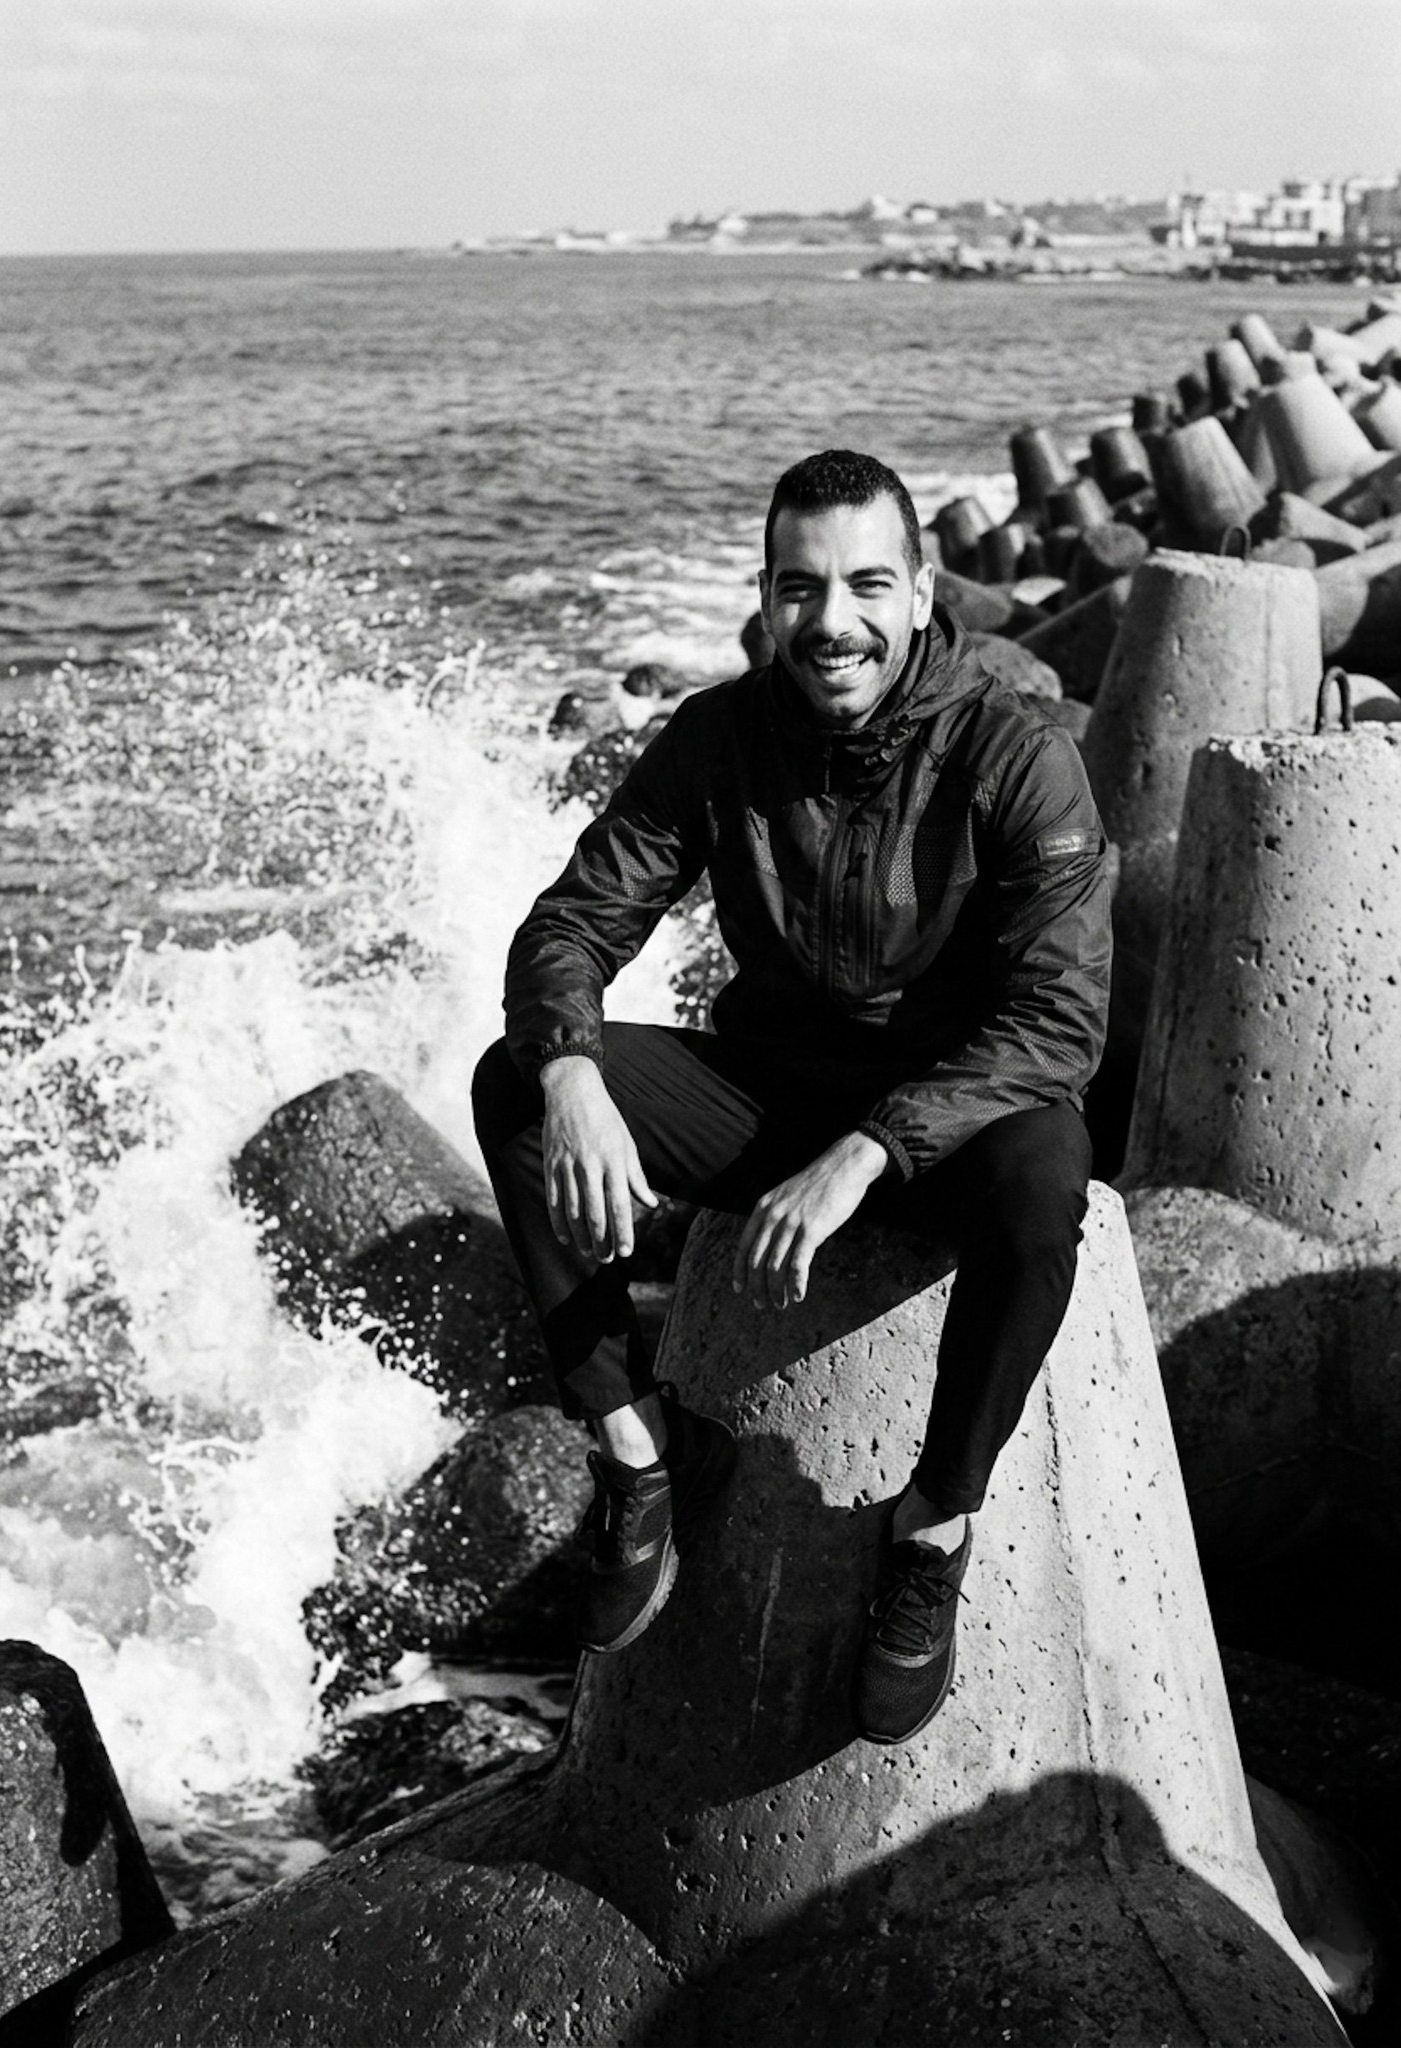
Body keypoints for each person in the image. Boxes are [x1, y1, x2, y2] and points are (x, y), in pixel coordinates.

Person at [472, 449, 1111, 1745]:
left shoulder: (1013, 752)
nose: (833, 622)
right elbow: (570, 927)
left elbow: (1057, 1022)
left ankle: (933, 1524)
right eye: (800, 587)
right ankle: (637, 1451)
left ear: (924, 594)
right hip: (767, 1097)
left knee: (1050, 1179)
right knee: (514, 1086)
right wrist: (572, 1064)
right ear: (765, 597)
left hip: (950, 1124)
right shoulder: (717, 738)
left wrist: (870, 1152)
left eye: (866, 584)